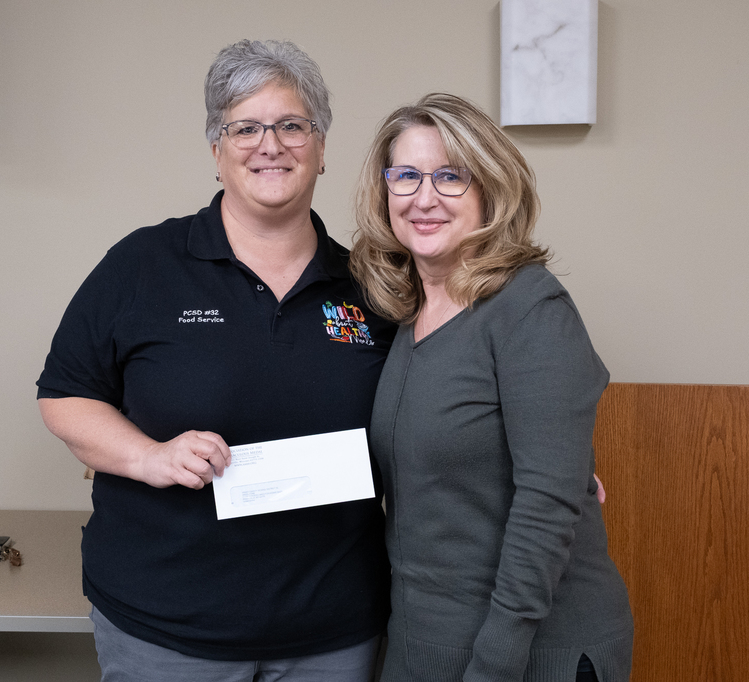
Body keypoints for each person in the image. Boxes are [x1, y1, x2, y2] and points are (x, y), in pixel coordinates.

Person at [36, 40, 396, 682]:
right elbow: (65, 396)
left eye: (292, 126)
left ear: (321, 148)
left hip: (332, 630)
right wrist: (149, 456)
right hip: (166, 626)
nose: (270, 145)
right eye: (245, 128)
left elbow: (417, 425)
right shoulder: (143, 264)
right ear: (216, 150)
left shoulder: (372, 285)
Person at [349, 93, 634, 682]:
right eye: (406, 176)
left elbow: (545, 507)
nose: (424, 197)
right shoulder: (402, 314)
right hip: (423, 641)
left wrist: (495, 665)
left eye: (450, 176)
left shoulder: (530, 307)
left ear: (489, 191)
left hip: (530, 651)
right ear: (384, 192)